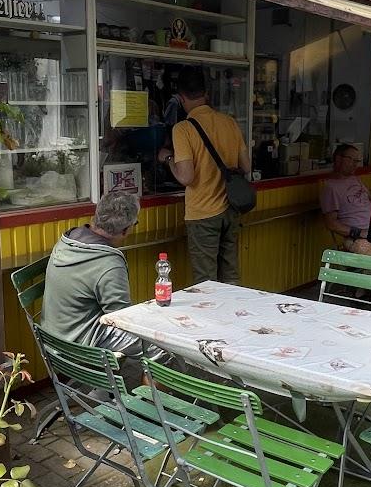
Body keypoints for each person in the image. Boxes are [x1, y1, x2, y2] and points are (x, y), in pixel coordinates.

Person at [158, 66, 250, 284]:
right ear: (206, 93)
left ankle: (211, 319)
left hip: (202, 213)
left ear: (181, 98)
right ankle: (233, 315)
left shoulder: (183, 129)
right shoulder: (229, 122)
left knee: (206, 281)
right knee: (230, 275)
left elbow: (186, 177)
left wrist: (167, 158)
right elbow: (246, 166)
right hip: (230, 209)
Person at [41, 190, 143, 363]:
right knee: (163, 349)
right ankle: (150, 390)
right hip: (82, 343)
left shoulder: (68, 240)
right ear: (125, 230)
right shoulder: (109, 262)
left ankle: (100, 390)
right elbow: (120, 318)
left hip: (52, 338)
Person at [320, 144, 371, 257]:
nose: (355, 165)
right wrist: (358, 233)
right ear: (338, 159)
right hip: (356, 238)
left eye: (357, 161)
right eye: (352, 160)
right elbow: (331, 223)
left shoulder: (355, 179)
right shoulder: (331, 188)